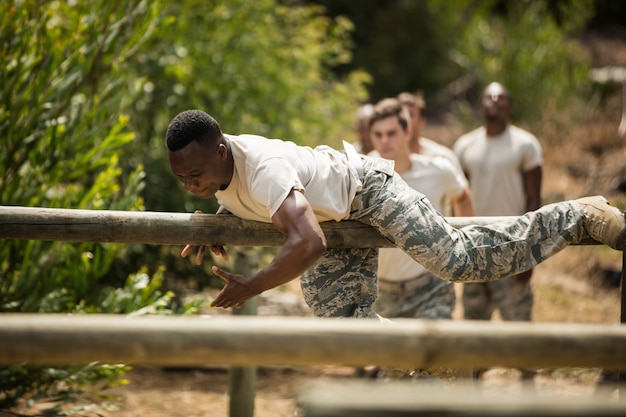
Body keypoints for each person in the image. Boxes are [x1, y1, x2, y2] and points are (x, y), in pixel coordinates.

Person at [166, 108, 625, 320]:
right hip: (334, 215)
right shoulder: (226, 172)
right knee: (341, 320)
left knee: (456, 259)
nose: (192, 185)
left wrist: (252, 286)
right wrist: (220, 219)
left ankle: (580, 215)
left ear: (223, 151)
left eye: (198, 175)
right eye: (183, 179)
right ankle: (432, 363)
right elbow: (242, 194)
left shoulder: (265, 168)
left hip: (367, 188)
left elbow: (308, 242)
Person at [453, 82, 542, 382]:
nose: (494, 101)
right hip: (475, 247)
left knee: (520, 328)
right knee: (473, 329)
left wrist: (530, 252)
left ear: (509, 106)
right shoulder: (465, 146)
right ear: (481, 105)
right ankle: (474, 395)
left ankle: (528, 390)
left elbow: (534, 199)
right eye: (489, 97)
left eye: (501, 97)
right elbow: (458, 196)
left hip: (512, 246)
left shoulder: (525, 144)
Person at [370, 98, 474, 320]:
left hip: (432, 287)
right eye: (378, 135)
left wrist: (464, 244)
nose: (384, 141)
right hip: (382, 292)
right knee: (392, 355)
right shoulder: (363, 173)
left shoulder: (438, 169)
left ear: (407, 131)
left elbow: (463, 195)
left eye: (391, 133)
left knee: (434, 352)